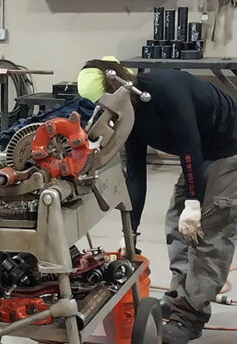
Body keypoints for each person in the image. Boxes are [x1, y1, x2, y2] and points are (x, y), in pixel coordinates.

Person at [78, 58, 237, 344]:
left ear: (116, 91)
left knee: (209, 232)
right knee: (177, 224)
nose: (105, 115)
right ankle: (180, 298)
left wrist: (194, 204)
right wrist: (131, 230)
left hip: (229, 148)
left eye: (104, 106)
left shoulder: (167, 88)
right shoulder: (129, 114)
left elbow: (190, 144)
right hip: (201, 151)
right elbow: (136, 174)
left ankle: (191, 317)